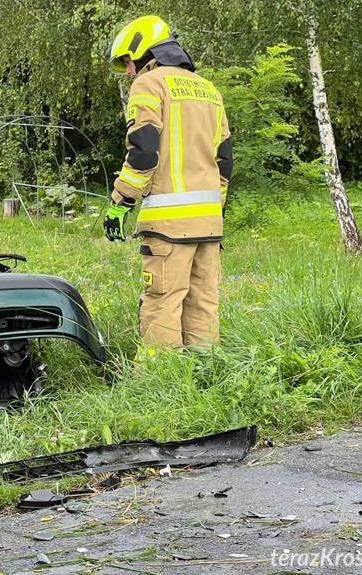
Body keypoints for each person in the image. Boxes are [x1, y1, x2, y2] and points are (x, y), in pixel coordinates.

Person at [103, 15, 233, 348]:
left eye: (129, 63)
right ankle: (205, 380)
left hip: (167, 227)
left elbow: (144, 152)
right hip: (209, 224)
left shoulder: (149, 85)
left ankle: (157, 387)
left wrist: (121, 202)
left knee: (162, 303)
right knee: (203, 305)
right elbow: (225, 160)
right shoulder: (209, 90)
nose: (129, 72)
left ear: (144, 51)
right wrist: (212, 209)